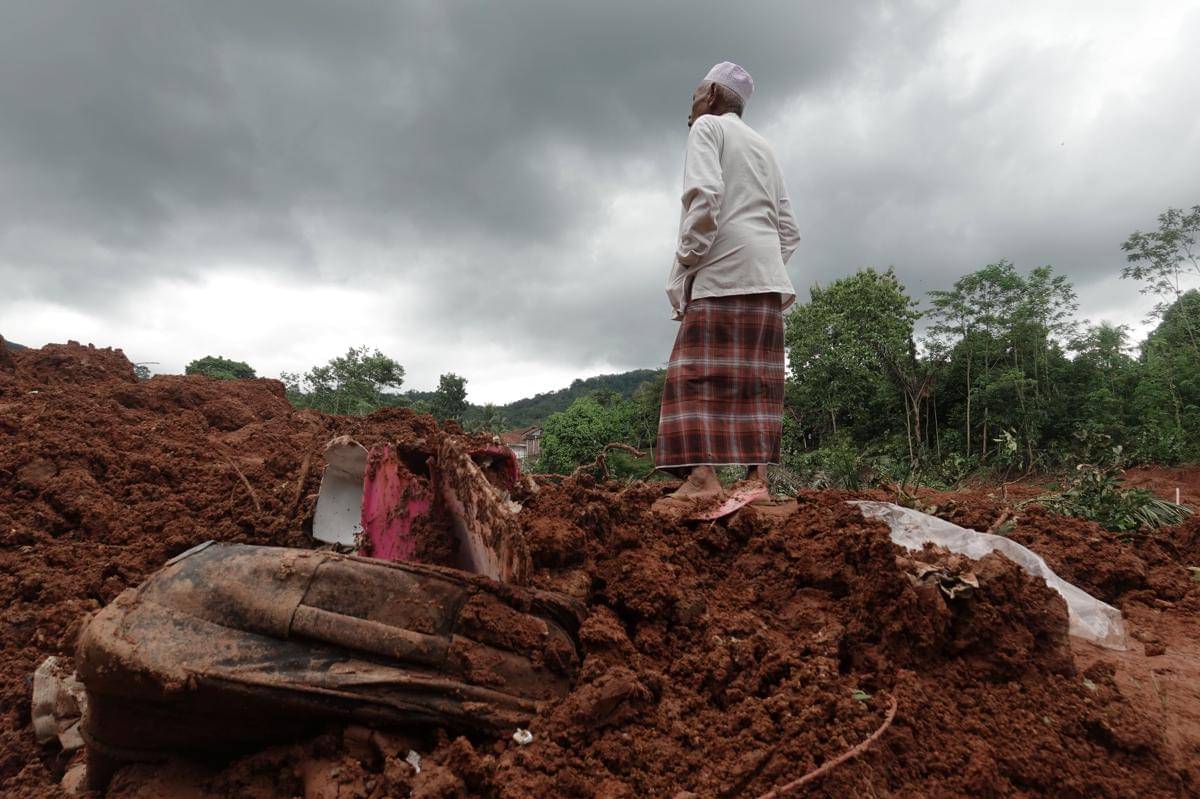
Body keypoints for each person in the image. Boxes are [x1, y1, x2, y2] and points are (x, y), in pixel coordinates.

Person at [656, 62, 801, 502]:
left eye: (695, 96)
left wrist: (686, 265)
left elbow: (704, 198)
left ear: (714, 94)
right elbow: (789, 230)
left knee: (694, 378)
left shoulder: (707, 130)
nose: (690, 109)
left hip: (721, 273)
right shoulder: (765, 148)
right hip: (768, 279)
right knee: (756, 383)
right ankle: (757, 482)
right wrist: (764, 262)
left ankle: (702, 479)